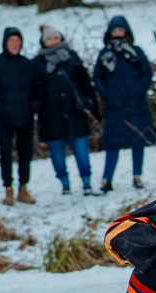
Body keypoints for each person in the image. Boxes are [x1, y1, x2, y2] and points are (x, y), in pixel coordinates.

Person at [33, 24, 98, 196]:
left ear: (60, 38)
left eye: (55, 37)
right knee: (57, 156)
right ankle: (64, 183)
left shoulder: (72, 57)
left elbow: (85, 82)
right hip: (51, 119)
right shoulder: (38, 63)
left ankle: (86, 182)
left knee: (82, 153)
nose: (53, 41)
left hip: (75, 115)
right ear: (43, 41)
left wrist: (91, 105)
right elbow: (35, 90)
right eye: (49, 39)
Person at [94, 15, 156, 191]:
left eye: (121, 30)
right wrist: (106, 94)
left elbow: (146, 73)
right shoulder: (105, 54)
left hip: (137, 105)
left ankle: (137, 176)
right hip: (114, 107)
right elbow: (97, 76)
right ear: (109, 33)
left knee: (138, 141)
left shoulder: (135, 52)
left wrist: (139, 90)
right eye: (114, 30)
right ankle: (107, 179)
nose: (118, 33)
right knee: (112, 144)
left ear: (126, 32)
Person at [0, 27, 39, 206]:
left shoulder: (28, 65)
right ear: (5, 43)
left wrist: (31, 108)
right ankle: (8, 188)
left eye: (17, 40)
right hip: (4, 118)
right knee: (6, 153)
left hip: (25, 117)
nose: (15, 44)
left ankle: (23, 187)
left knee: (25, 153)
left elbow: (38, 90)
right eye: (11, 41)